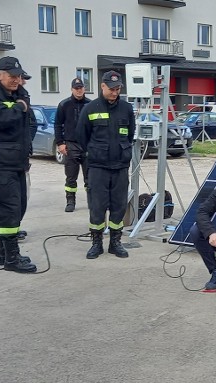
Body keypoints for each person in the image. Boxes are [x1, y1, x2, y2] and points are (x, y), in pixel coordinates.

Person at [0, 56, 37, 273]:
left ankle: (4, 253)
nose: (16, 80)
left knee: (19, 207)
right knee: (8, 209)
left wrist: (21, 100)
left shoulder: (17, 94)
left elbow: (27, 121)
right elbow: (3, 119)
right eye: (12, 76)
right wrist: (20, 106)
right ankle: (12, 258)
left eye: (18, 76)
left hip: (17, 162)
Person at [76, 70, 135, 259]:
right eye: (111, 88)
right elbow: (81, 136)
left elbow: (130, 134)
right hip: (98, 167)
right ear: (102, 86)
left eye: (117, 89)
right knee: (97, 206)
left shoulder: (126, 109)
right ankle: (96, 243)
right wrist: (96, 152)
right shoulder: (90, 108)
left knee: (118, 206)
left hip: (120, 167)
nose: (114, 92)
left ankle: (115, 242)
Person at [55, 77, 91, 212]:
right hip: (71, 145)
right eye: (76, 88)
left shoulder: (90, 105)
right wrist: (60, 143)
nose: (79, 90)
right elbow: (58, 125)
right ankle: (70, 201)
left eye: (81, 88)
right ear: (71, 89)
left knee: (90, 177)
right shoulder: (64, 105)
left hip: (87, 145)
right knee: (71, 177)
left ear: (84, 89)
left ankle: (91, 201)